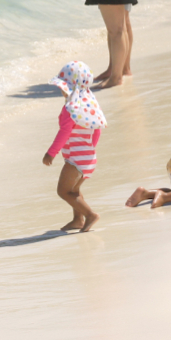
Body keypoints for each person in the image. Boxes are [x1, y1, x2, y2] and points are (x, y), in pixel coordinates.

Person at [43, 61, 107, 232]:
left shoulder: (70, 109)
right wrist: (89, 149)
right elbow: (97, 131)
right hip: (88, 157)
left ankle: (90, 215)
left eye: (63, 87)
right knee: (74, 191)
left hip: (76, 159)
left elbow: (64, 132)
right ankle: (78, 219)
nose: (61, 90)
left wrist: (51, 153)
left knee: (63, 191)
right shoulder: (89, 107)